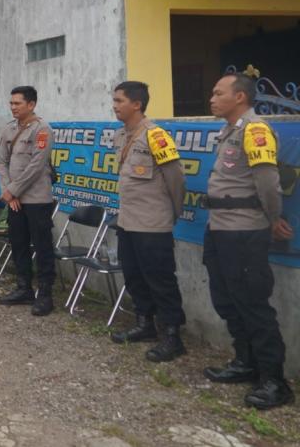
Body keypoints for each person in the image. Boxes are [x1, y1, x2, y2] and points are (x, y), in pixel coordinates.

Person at [202, 71, 294, 409]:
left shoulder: (255, 130)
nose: (211, 98)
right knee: (226, 299)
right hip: (219, 228)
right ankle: (245, 362)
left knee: (253, 304)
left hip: (244, 230)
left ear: (240, 97)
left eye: (217, 92)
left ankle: (274, 381)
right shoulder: (229, 131)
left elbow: (268, 182)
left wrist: (272, 219)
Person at [109, 81, 188, 362]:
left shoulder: (156, 136)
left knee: (160, 280)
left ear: (137, 104)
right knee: (133, 274)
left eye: (119, 100)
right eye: (114, 100)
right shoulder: (123, 135)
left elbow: (176, 179)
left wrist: (171, 213)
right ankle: (145, 325)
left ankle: (172, 336)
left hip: (153, 224)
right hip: (129, 222)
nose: (115, 105)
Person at [0, 85, 56, 316]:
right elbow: (2, 162)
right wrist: (8, 191)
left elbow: (36, 166)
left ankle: (45, 294)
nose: (13, 107)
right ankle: (24, 288)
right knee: (18, 242)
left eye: (17, 103)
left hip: (36, 199)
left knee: (42, 246)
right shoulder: (9, 129)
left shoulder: (42, 130)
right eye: (11, 103)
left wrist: (13, 191)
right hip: (14, 199)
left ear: (31, 104)